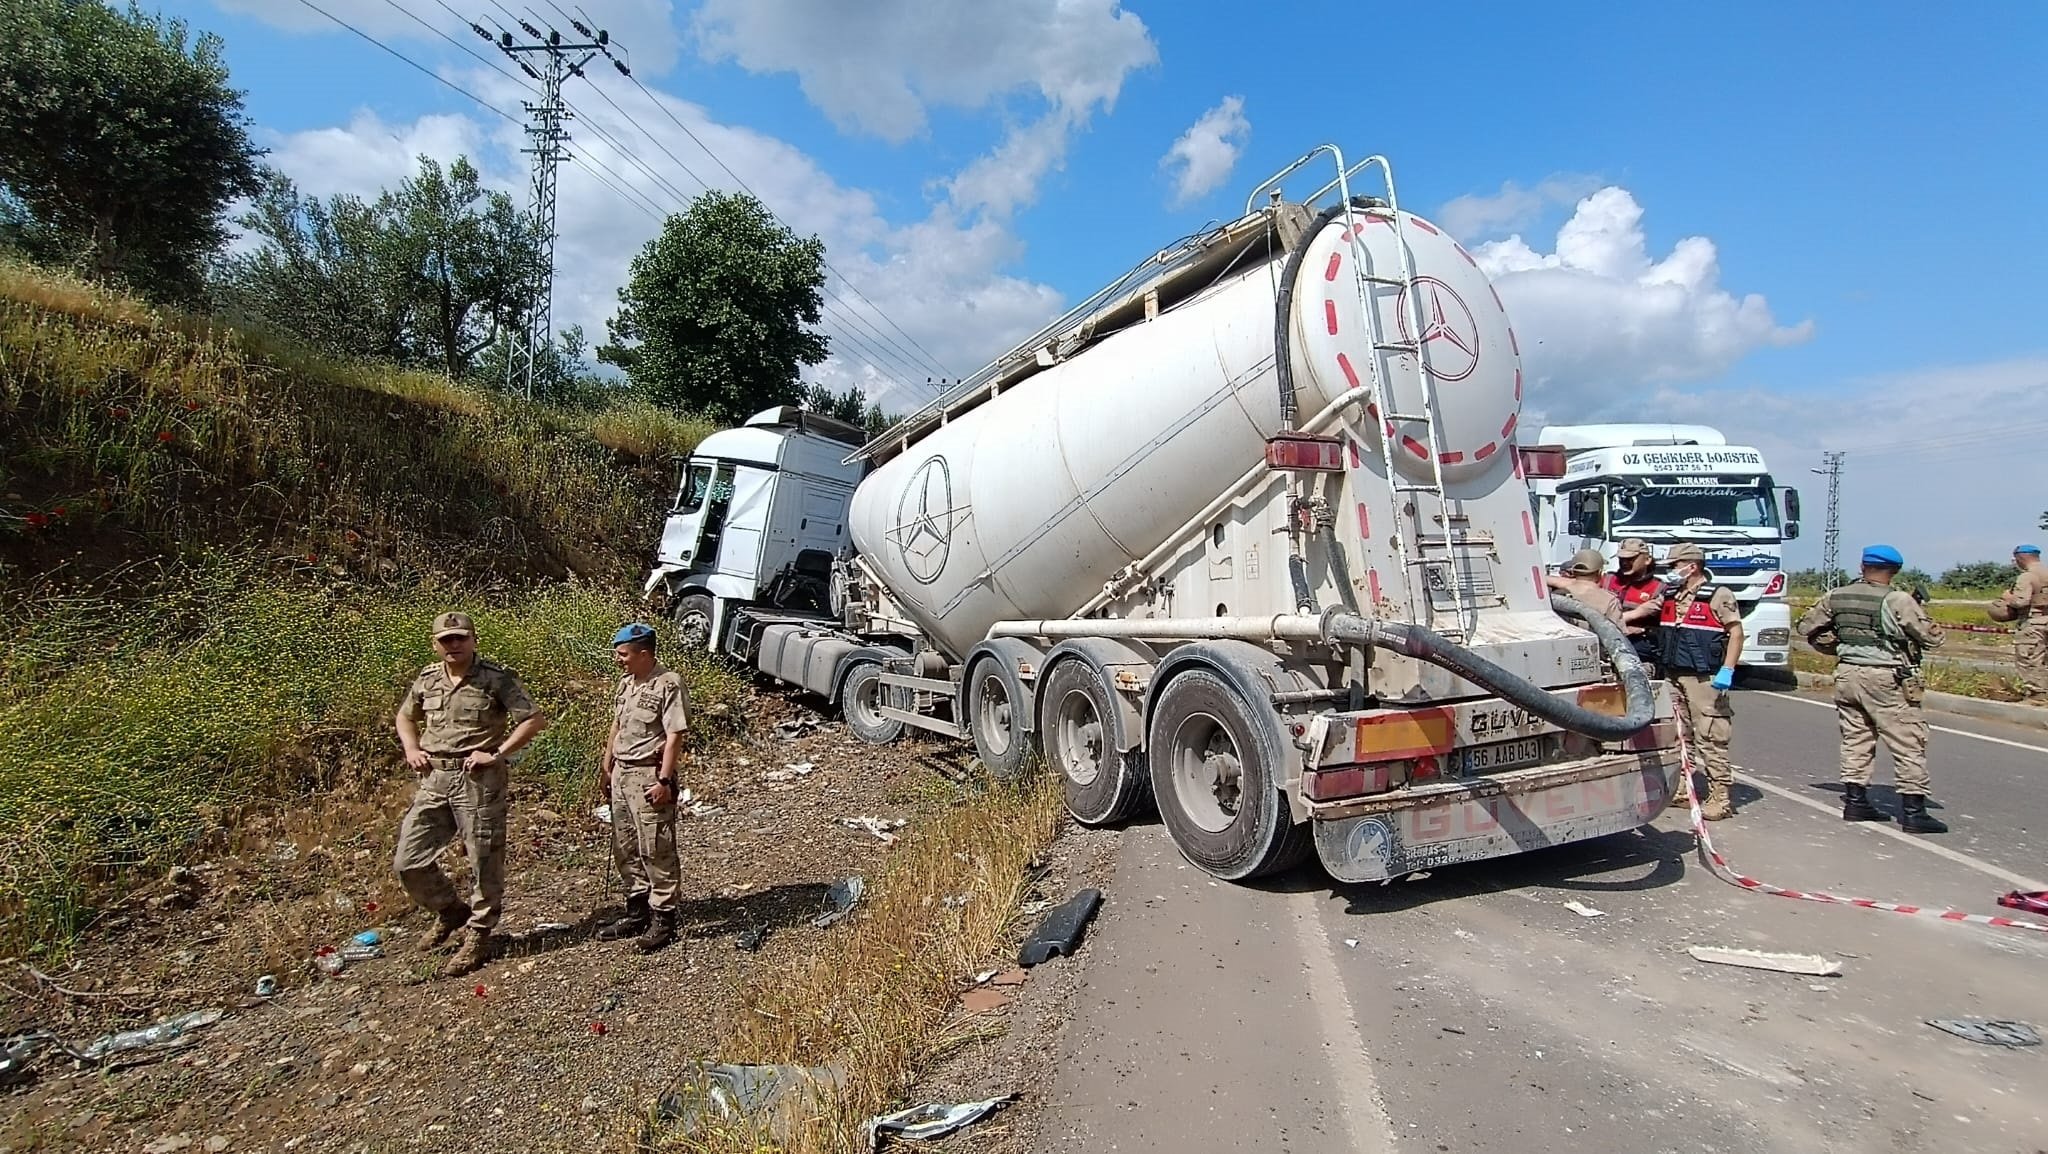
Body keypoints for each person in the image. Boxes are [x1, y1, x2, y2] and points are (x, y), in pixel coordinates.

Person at [392, 611, 548, 978]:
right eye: (446, 640)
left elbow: (533, 719)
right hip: (435, 779)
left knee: (483, 857)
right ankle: (450, 910)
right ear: (436, 644)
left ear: (473, 640)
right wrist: (412, 749)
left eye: (460, 638)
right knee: (408, 860)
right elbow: (405, 717)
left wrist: (497, 753)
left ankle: (479, 933)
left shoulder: (495, 678)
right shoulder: (428, 679)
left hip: (478, 779)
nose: (454, 645)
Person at [1796, 545, 1948, 832]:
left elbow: (1806, 627)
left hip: (1847, 672)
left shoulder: (1836, 595)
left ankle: (1856, 802)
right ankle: (1914, 812)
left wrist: (1837, 642)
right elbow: (1932, 638)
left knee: (1856, 737)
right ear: (1895, 570)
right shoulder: (1898, 600)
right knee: (1908, 740)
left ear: (1862, 566)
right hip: (1886, 676)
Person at [594, 622, 691, 953]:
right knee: (625, 844)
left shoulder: (668, 684)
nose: (618, 659)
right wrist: (607, 766)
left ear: (644, 654)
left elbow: (675, 734)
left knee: (655, 846)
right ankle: (637, 909)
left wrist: (664, 780)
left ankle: (663, 918)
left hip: (649, 775)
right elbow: (617, 726)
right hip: (623, 774)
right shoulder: (626, 684)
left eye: (623, 654)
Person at [1659, 542, 1743, 820]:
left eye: (1674, 566)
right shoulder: (1671, 592)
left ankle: (1720, 797)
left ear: (1691, 566)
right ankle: (1683, 788)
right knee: (1680, 735)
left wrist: (1728, 669)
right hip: (1674, 673)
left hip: (1704, 678)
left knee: (1710, 736)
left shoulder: (1718, 595)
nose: (1670, 571)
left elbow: (1736, 633)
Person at [1602, 538, 1665, 673]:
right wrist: (1637, 614)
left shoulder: (1659, 588)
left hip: (1639, 655)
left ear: (1647, 560)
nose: (1624, 563)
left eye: (1631, 559)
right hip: (1604, 651)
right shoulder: (1606, 581)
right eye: (1621, 559)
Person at [1999, 544, 2048, 700]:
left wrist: (2008, 598)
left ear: (2021, 557)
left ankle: (2037, 695)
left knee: (2029, 658)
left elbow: (2021, 602)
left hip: (2033, 623)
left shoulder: (2027, 576)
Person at [1545, 548, 1627, 632]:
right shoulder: (1610, 601)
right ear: (1599, 572)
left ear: (1573, 571)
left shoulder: (1556, 595)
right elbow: (1618, 636)